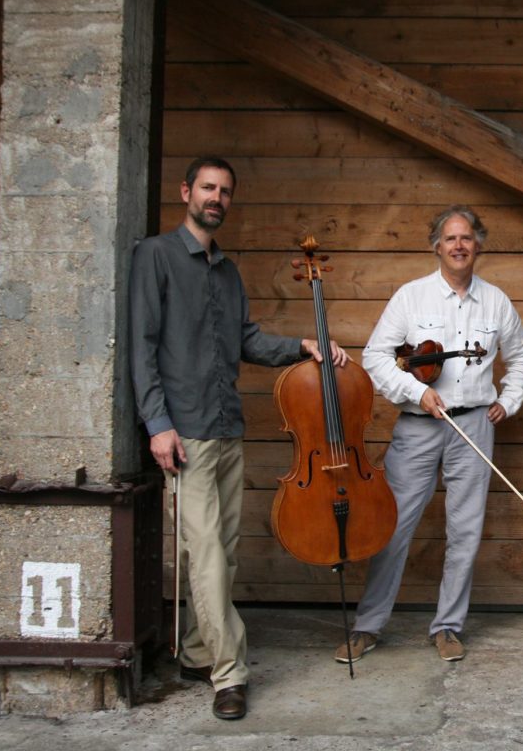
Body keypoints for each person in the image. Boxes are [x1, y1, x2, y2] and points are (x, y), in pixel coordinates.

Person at [129, 156, 348, 720]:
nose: (216, 198)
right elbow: (142, 346)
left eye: (225, 191)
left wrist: (302, 347)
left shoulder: (227, 272)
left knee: (221, 556)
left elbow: (246, 340)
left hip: (228, 429)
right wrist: (158, 424)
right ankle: (230, 675)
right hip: (186, 434)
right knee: (203, 556)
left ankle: (199, 652)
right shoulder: (154, 256)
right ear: (186, 192)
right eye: (207, 188)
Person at [336, 205, 523, 663]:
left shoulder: (496, 301)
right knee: (393, 526)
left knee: (465, 530)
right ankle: (368, 625)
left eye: (467, 238)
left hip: (475, 424)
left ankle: (447, 626)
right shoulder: (411, 297)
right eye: (450, 239)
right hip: (419, 425)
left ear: (478, 245)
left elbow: (522, 357)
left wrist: (509, 399)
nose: (459, 246)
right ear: (436, 246)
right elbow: (375, 357)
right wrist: (414, 391)